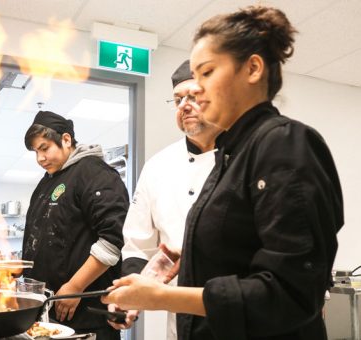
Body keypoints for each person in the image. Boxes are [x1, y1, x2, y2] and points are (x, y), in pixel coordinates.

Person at [103, 5, 344, 340]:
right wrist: (179, 262)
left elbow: (293, 293)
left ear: (253, 69)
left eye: (206, 73)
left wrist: (163, 297)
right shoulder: (233, 155)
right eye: (188, 86)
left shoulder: (284, 143)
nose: (196, 91)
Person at [108, 60, 222, 339]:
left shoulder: (246, 158)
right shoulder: (158, 166)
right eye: (178, 99)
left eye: (194, 96)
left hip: (242, 317)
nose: (184, 105)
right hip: (182, 320)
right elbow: (138, 244)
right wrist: (130, 297)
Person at [22, 110, 129, 339]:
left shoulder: (94, 173)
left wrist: (75, 287)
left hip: (85, 316)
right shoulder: (47, 183)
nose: (40, 158)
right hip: (49, 312)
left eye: (44, 148)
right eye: (35, 152)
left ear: (66, 139)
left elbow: (113, 239)